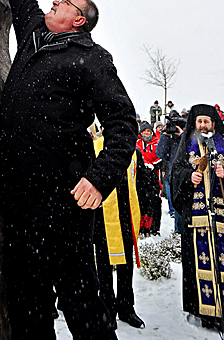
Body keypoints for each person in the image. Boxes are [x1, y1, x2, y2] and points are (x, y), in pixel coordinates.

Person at [0, 0, 138, 340]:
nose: (54, 1)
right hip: (20, 200)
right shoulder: (35, 36)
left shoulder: (92, 60)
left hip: (64, 203)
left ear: (77, 20)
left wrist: (99, 179)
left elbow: (123, 123)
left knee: (82, 305)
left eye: (65, 2)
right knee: (28, 304)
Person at [171, 104, 224, 332]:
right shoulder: (185, 146)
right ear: (194, 124)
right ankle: (206, 314)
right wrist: (189, 177)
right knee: (200, 265)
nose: (203, 125)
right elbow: (174, 174)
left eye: (207, 121)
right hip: (196, 219)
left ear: (214, 123)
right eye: (200, 121)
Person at [93, 136, 145, 330]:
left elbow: (140, 182)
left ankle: (126, 307)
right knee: (104, 266)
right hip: (102, 215)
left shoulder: (133, 150)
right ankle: (107, 309)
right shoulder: (95, 146)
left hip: (127, 213)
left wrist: (145, 212)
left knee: (126, 265)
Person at [156, 119, 184, 233]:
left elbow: (190, 149)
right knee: (176, 206)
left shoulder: (186, 138)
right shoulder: (170, 140)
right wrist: (165, 135)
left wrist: (183, 135)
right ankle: (178, 234)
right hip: (172, 177)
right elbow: (160, 153)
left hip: (185, 177)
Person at [136, 122, 161, 236]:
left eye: (148, 131)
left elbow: (160, 156)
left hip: (154, 177)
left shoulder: (157, 143)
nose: (146, 133)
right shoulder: (137, 143)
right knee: (141, 203)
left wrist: (153, 164)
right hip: (140, 177)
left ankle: (153, 228)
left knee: (154, 203)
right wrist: (143, 164)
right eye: (144, 131)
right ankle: (141, 227)